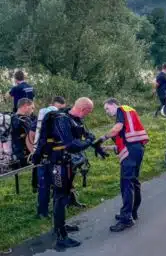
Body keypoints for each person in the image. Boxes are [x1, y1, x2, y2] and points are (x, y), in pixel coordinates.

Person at [33, 97, 106, 250]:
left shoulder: (74, 119)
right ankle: (61, 236)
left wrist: (97, 147)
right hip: (57, 164)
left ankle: (61, 226)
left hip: (67, 163)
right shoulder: (61, 120)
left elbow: (86, 135)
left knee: (64, 195)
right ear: (83, 109)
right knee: (60, 197)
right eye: (88, 112)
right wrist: (88, 142)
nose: (87, 115)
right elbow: (72, 145)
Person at [96, 99, 149, 232]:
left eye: (107, 109)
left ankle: (126, 219)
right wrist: (105, 148)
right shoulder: (129, 113)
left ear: (114, 105)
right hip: (137, 149)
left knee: (126, 184)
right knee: (134, 182)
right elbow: (123, 142)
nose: (107, 112)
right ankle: (132, 212)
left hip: (131, 152)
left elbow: (117, 129)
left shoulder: (120, 110)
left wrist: (102, 139)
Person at [31, 96, 66, 218]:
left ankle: (43, 211)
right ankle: (49, 211)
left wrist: (34, 151)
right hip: (51, 156)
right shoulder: (54, 117)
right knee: (54, 183)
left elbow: (34, 133)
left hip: (41, 154)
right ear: (55, 105)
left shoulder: (42, 115)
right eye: (60, 108)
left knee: (44, 184)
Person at [10, 98, 36, 168]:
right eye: (32, 108)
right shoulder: (25, 120)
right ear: (25, 106)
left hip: (14, 155)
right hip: (25, 157)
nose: (32, 111)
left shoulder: (11, 117)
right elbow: (32, 137)